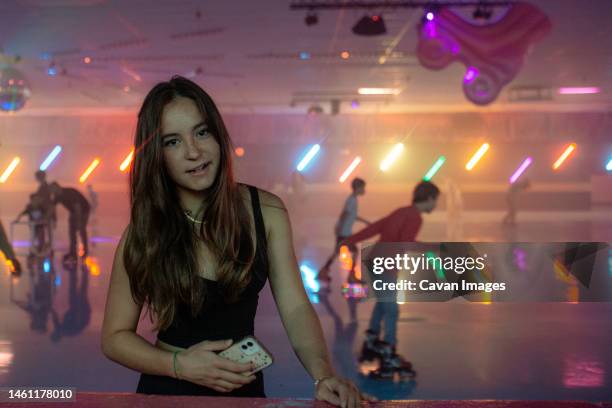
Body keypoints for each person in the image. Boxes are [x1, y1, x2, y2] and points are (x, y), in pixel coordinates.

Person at [100, 76, 371, 406]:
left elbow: (296, 306)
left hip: (243, 391)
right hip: (168, 393)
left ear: (217, 134)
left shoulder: (266, 212)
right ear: (157, 155)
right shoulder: (144, 231)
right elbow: (114, 338)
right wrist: (180, 366)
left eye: (202, 132)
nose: (194, 151)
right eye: (172, 141)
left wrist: (322, 374)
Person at [344, 180, 439, 379]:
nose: (436, 205)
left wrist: (350, 240)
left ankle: (371, 340)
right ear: (429, 198)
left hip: (376, 262)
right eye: (435, 200)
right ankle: (389, 351)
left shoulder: (401, 211)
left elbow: (376, 227)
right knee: (392, 309)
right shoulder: (415, 217)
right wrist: (432, 249)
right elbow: (406, 243)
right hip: (385, 266)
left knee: (383, 303)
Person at [317, 177, 369, 284]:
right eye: (363, 187)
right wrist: (339, 227)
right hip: (344, 232)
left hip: (345, 232)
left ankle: (323, 271)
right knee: (353, 251)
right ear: (358, 188)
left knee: (337, 252)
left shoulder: (353, 199)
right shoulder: (352, 200)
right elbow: (345, 214)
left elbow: (352, 215)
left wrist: (365, 221)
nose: (364, 190)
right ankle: (351, 276)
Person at [49, 182, 91, 260]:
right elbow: (52, 207)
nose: (52, 193)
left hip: (84, 209)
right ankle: (73, 252)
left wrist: (78, 221)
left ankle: (85, 251)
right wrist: (53, 219)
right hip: (73, 211)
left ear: (57, 187)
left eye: (52, 190)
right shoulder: (57, 196)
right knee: (72, 231)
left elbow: (77, 207)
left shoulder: (68, 193)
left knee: (81, 230)